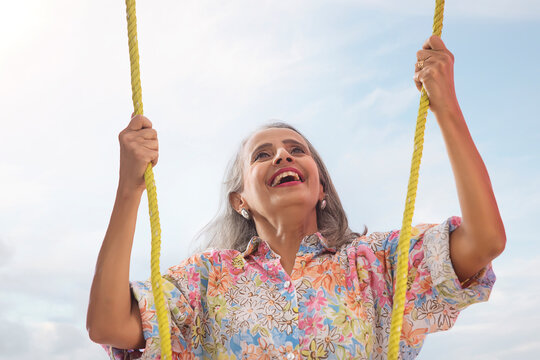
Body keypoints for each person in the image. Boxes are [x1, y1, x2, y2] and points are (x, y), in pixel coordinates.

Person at [86, 35, 505, 359]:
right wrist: (130, 187)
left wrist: (447, 108)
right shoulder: (205, 280)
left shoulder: (376, 263)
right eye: (262, 155)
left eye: (296, 150)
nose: (282, 155)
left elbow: (484, 241)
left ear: (320, 186)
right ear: (240, 200)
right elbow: (107, 323)